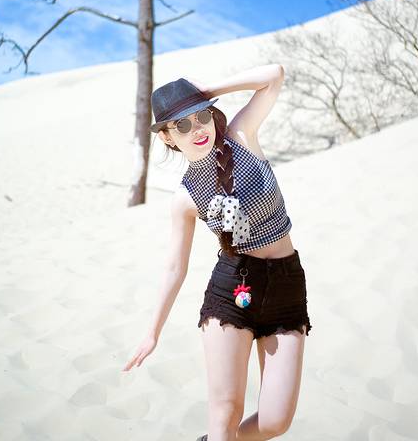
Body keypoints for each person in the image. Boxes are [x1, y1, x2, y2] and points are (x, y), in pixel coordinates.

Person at [123, 65, 312, 441]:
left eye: (201, 116)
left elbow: (274, 75)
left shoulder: (241, 136)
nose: (197, 129)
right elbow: (175, 267)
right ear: (167, 137)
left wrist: (207, 90)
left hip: (287, 286)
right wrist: (152, 332)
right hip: (232, 290)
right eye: (182, 125)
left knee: (275, 422)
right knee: (226, 411)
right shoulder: (184, 198)